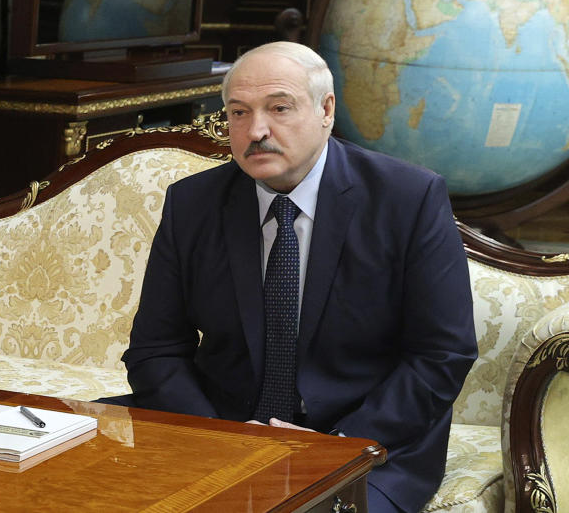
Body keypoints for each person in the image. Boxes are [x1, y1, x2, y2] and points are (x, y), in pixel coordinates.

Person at [121, 41, 477, 512]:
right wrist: (221, 438)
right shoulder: (193, 203)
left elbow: (442, 354)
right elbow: (155, 349)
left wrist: (341, 444)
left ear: (326, 109)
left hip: (362, 443)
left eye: (279, 108)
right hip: (220, 429)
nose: (256, 130)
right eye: (238, 113)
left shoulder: (407, 198)